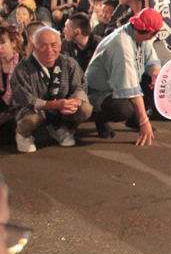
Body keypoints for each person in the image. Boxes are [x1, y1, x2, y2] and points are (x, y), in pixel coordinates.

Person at [86, 8, 161, 144]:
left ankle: (134, 120)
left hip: (120, 84)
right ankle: (98, 117)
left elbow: (152, 61)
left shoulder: (139, 35)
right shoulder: (121, 44)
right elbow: (131, 88)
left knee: (155, 82)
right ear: (150, 33)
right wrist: (144, 121)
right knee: (124, 109)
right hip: (100, 92)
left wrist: (155, 74)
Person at [12, 27, 92, 153]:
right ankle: (23, 135)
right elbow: (24, 98)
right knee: (31, 119)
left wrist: (75, 100)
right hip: (33, 110)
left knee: (85, 108)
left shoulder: (69, 63)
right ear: (35, 46)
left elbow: (80, 86)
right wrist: (53, 105)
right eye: (43, 46)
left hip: (61, 109)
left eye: (53, 45)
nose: (49, 50)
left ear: (60, 46)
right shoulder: (23, 68)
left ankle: (64, 129)